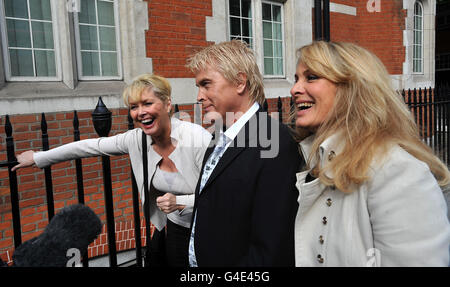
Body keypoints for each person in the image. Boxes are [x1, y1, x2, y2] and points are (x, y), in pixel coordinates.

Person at [12, 74, 211, 267]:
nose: (140, 112)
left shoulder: (196, 137)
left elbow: (222, 193)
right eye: (134, 107)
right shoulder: (136, 139)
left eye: (147, 103)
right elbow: (91, 146)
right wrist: (38, 157)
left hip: (209, 227)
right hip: (177, 227)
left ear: (167, 104)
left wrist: (180, 202)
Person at [291, 41, 450, 266]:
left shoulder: (396, 170)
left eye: (311, 77)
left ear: (352, 87)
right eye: (296, 78)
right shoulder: (311, 160)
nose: (295, 89)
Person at [186, 40, 303, 267]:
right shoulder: (219, 134)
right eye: (198, 86)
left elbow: (271, 249)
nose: (199, 96)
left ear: (240, 82)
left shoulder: (274, 142)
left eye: (206, 84)